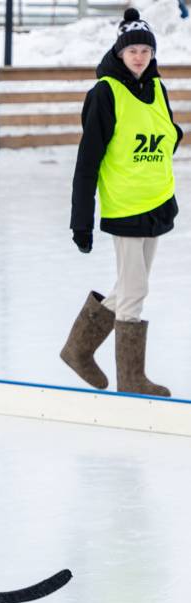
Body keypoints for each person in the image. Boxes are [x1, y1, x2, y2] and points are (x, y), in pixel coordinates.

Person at [63, 8, 180, 397]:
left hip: (156, 202)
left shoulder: (157, 89)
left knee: (131, 285)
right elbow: (87, 162)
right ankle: (132, 380)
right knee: (136, 290)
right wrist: (81, 219)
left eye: (146, 50)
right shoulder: (104, 94)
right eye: (133, 49)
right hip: (126, 206)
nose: (139, 56)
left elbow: (164, 132)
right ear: (120, 50)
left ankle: (79, 349)